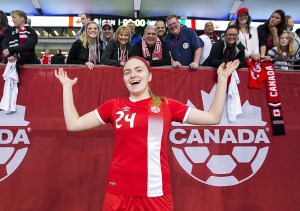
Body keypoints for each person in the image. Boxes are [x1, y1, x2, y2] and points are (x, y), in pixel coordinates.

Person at [54, 56, 240, 211]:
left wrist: (222, 79)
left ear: (150, 76)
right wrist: (66, 88)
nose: (132, 75)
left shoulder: (166, 105)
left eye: (138, 70)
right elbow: (73, 124)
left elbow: (213, 117)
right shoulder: (114, 106)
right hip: (118, 192)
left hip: (155, 193)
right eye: (127, 72)